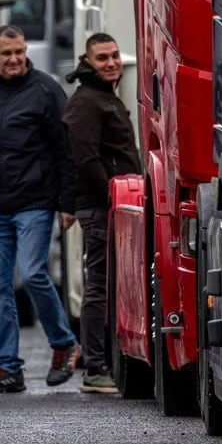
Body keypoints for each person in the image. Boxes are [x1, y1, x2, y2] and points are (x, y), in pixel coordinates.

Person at [0, 25, 81, 393]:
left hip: (35, 202)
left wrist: (68, 203)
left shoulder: (46, 90)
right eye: (6, 53)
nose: (15, 59)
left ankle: (64, 343)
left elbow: (66, 150)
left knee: (34, 273)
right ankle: (9, 368)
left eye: (19, 51)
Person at [62, 33, 142, 394]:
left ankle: (103, 360)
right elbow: (84, 157)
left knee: (109, 285)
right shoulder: (86, 102)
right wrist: (113, 193)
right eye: (101, 58)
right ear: (87, 61)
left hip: (113, 204)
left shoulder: (102, 97)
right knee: (98, 285)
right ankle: (95, 367)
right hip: (101, 207)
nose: (110, 63)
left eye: (113, 56)